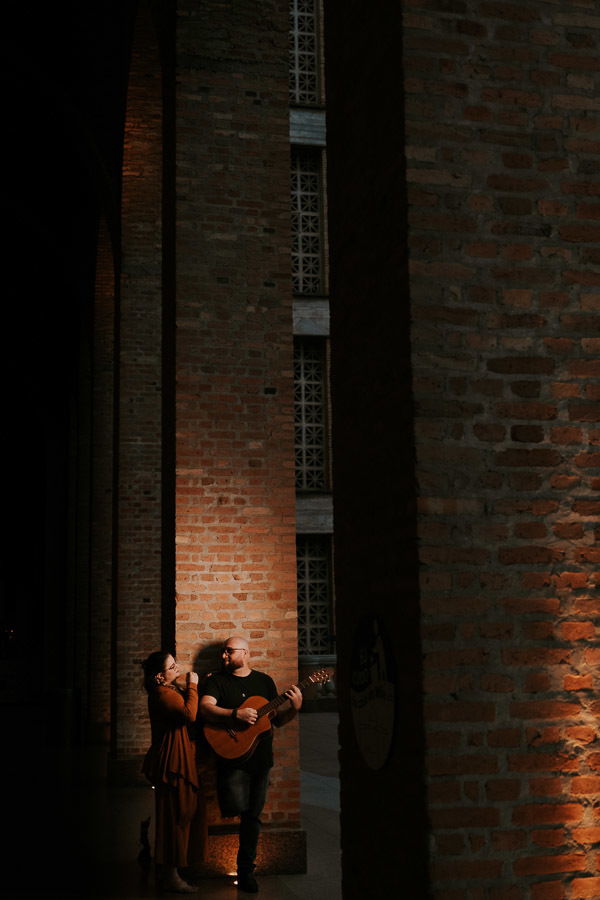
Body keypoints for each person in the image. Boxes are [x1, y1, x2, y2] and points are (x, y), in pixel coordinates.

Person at [199, 636, 302, 894]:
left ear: (245, 652)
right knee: (233, 808)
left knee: (252, 816)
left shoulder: (264, 682)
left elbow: (275, 722)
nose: (223, 655)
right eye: (223, 651)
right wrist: (236, 714)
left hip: (261, 761)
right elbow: (204, 708)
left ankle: (246, 871)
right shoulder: (217, 681)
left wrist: (295, 709)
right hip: (231, 757)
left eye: (229, 651)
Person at [141, 651, 208, 894]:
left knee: (181, 813)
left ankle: (168, 873)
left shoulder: (168, 690)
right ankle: (171, 877)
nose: (177, 667)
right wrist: (193, 685)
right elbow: (188, 714)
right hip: (171, 761)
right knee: (175, 817)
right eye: (172, 666)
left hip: (178, 757)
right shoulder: (161, 694)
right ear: (160, 676)